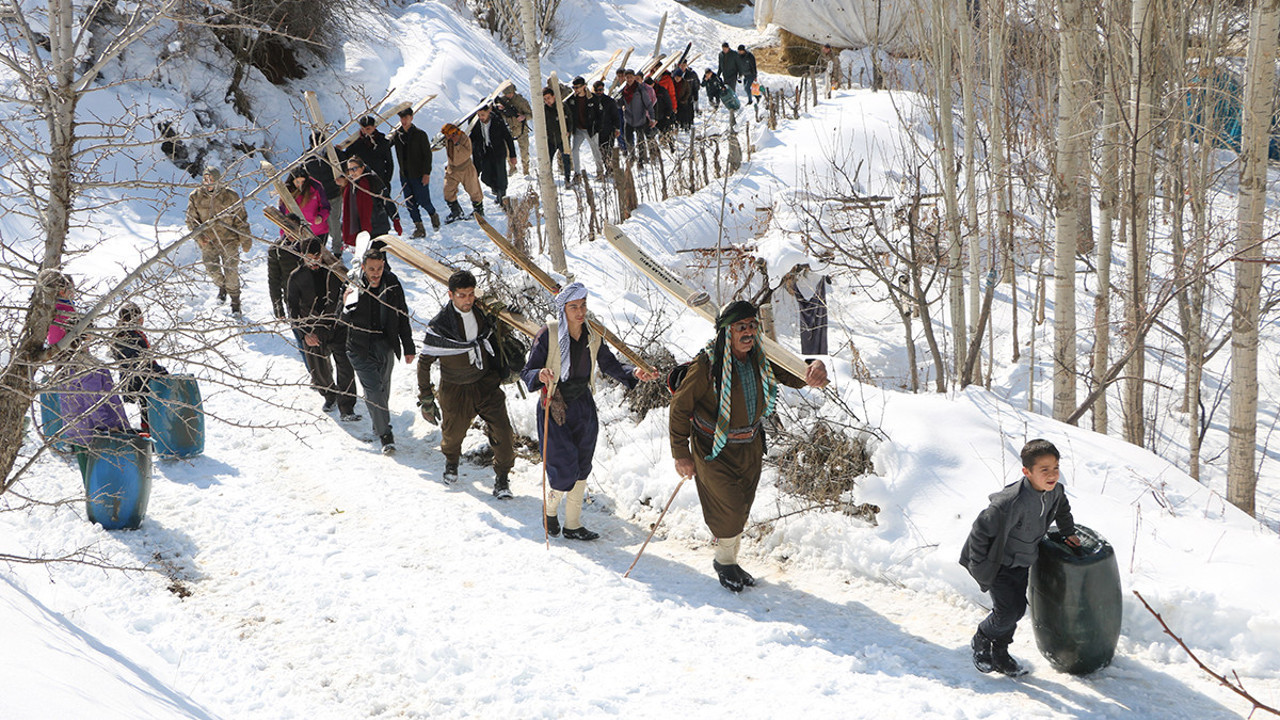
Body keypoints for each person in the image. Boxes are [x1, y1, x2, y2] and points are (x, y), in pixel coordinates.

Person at [669, 301, 828, 592]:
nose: (748, 332)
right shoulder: (707, 364)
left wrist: (815, 366)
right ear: (726, 332)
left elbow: (796, 374)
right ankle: (724, 562)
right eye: (740, 326)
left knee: (741, 507)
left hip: (750, 445)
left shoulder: (762, 357)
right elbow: (680, 408)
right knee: (729, 509)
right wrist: (681, 454)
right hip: (713, 448)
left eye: (752, 325)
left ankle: (730, 561)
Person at [521, 283, 659, 540]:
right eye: (574, 307)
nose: (580, 312)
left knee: (583, 464)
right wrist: (540, 374)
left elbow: (609, 364)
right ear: (563, 309)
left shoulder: (592, 334)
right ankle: (549, 510)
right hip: (555, 404)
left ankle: (573, 524)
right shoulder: (549, 334)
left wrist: (634, 372)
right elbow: (527, 371)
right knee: (563, 467)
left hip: (583, 405)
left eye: (583, 305)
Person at [960, 438, 1081, 676]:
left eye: (1055, 467)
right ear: (1027, 472)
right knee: (1006, 612)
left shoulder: (1055, 491)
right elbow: (980, 531)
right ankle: (982, 637)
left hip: (1023, 561)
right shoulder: (1010, 502)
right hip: (999, 563)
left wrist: (1068, 532)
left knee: (1016, 610)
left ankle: (1000, 653)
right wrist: (980, 564)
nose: (1052, 474)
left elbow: (1062, 508)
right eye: (1044, 470)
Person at [417, 270, 517, 498]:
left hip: (485, 384)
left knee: (503, 432)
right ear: (450, 295)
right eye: (462, 295)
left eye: (471, 294)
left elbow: (497, 333)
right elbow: (424, 362)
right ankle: (452, 463)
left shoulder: (481, 314)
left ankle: (502, 479)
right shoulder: (440, 326)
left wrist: (509, 318)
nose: (468, 300)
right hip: (455, 388)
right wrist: (426, 397)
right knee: (452, 435)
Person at [343, 248, 415, 454]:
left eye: (379, 268)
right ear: (363, 267)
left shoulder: (391, 283)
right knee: (374, 390)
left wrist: (408, 346)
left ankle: (378, 423)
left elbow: (402, 314)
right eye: (371, 269)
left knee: (382, 389)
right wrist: (346, 304)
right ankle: (386, 436)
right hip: (359, 347)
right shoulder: (353, 283)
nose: (376, 273)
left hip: (385, 343)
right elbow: (342, 319)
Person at [289, 237, 360, 422]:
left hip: (337, 324)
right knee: (319, 370)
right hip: (312, 328)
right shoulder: (296, 277)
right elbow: (293, 309)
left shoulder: (334, 271)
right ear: (302, 255)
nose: (314, 261)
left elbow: (348, 292)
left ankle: (347, 407)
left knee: (345, 366)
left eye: (317, 257)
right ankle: (330, 395)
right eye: (310, 257)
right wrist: (305, 333)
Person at [186, 166, 252, 313]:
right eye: (205, 179)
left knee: (231, 272)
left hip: (229, 240)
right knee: (212, 270)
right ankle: (222, 287)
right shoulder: (196, 196)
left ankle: (235, 301)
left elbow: (241, 219)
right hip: (208, 241)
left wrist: (245, 240)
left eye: (211, 179)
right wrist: (199, 237)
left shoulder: (230, 196)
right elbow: (191, 220)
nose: (208, 182)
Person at [110, 302, 168, 433]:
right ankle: (150, 430)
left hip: (134, 377)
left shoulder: (123, 334)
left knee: (145, 404)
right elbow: (137, 362)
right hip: (139, 377)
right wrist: (158, 370)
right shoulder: (131, 337)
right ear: (137, 318)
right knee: (147, 403)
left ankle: (148, 428)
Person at [389, 107, 439, 237]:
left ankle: (433, 214)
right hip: (404, 175)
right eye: (402, 118)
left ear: (411, 118)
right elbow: (386, 145)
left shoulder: (420, 134)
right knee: (410, 204)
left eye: (406, 118)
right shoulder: (397, 135)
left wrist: (426, 173)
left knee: (424, 201)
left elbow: (427, 156)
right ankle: (419, 228)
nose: (404, 121)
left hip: (419, 174)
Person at [337, 156, 399, 249]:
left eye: (355, 168)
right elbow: (349, 211)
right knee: (365, 257)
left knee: (377, 256)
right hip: (360, 231)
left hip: (377, 227)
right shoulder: (349, 185)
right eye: (349, 169)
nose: (352, 172)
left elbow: (386, 200)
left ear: (362, 168)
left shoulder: (372, 181)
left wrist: (395, 219)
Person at [303, 131, 345, 255]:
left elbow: (346, 167)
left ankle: (337, 250)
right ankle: (319, 249)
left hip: (333, 194)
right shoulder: (307, 157)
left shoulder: (334, 154)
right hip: (316, 197)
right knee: (320, 224)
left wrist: (343, 179)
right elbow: (304, 175)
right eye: (315, 145)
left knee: (333, 222)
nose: (318, 147)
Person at [469, 104, 517, 206]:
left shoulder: (497, 121)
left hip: (498, 151)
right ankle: (496, 189)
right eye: (479, 115)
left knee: (501, 175)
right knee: (485, 177)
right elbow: (472, 138)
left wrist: (513, 155)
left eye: (483, 115)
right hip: (485, 152)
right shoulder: (475, 123)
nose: (481, 117)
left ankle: (502, 196)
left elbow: (508, 138)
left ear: (489, 112)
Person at [440, 123, 485, 222]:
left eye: (448, 135)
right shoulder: (447, 139)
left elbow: (467, 153)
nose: (447, 137)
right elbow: (439, 145)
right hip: (452, 169)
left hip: (465, 168)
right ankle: (456, 212)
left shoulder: (464, 138)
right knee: (448, 190)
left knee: (473, 190)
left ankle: (479, 211)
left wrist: (457, 144)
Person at [784, 264, 832, 356]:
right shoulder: (819, 277)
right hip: (818, 313)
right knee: (819, 333)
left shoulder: (797, 281)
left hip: (804, 315)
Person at [565, 76, 604, 181]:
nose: (576, 90)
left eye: (577, 87)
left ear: (584, 86)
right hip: (578, 129)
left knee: (595, 150)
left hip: (590, 129)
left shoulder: (593, 98)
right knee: (574, 150)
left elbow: (600, 114)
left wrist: (597, 127)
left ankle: (600, 172)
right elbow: (566, 110)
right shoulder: (572, 99)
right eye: (574, 87)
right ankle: (577, 173)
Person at [494, 85, 533, 176]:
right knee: (507, 151)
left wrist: (524, 117)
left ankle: (526, 169)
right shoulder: (502, 101)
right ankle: (512, 167)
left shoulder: (521, 101)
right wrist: (499, 110)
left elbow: (530, 114)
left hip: (521, 129)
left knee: (524, 151)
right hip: (508, 129)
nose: (508, 95)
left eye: (510, 93)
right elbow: (497, 115)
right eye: (506, 93)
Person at [620, 69, 656, 165]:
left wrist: (652, 118)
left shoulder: (640, 89)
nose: (629, 79)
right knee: (628, 139)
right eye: (627, 77)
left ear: (634, 77)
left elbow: (648, 104)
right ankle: (632, 156)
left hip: (640, 118)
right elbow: (619, 103)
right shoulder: (624, 90)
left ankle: (642, 159)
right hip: (628, 119)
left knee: (640, 141)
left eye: (631, 77)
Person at [541, 87, 574, 183]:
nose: (547, 101)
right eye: (545, 99)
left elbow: (570, 120)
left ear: (553, 97)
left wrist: (569, 131)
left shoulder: (562, 106)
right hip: (551, 139)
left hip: (563, 137)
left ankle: (567, 179)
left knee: (566, 159)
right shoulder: (544, 109)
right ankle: (548, 179)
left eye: (548, 98)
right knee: (548, 160)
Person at [591, 80, 620, 174]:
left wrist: (617, 128)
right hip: (597, 130)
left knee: (609, 150)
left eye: (601, 90)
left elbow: (615, 115)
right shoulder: (591, 101)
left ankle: (610, 169)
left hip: (608, 129)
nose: (599, 92)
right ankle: (605, 168)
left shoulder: (609, 101)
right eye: (597, 90)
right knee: (600, 151)